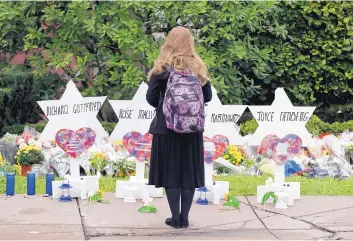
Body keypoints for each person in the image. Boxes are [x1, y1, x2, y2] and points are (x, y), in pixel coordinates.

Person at [146, 26, 212, 229]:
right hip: (192, 130)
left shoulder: (162, 68)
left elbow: (150, 99)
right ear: (190, 42)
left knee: (171, 173)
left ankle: (175, 218)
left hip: (167, 129)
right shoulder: (198, 67)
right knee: (188, 174)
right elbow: (207, 97)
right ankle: (185, 217)